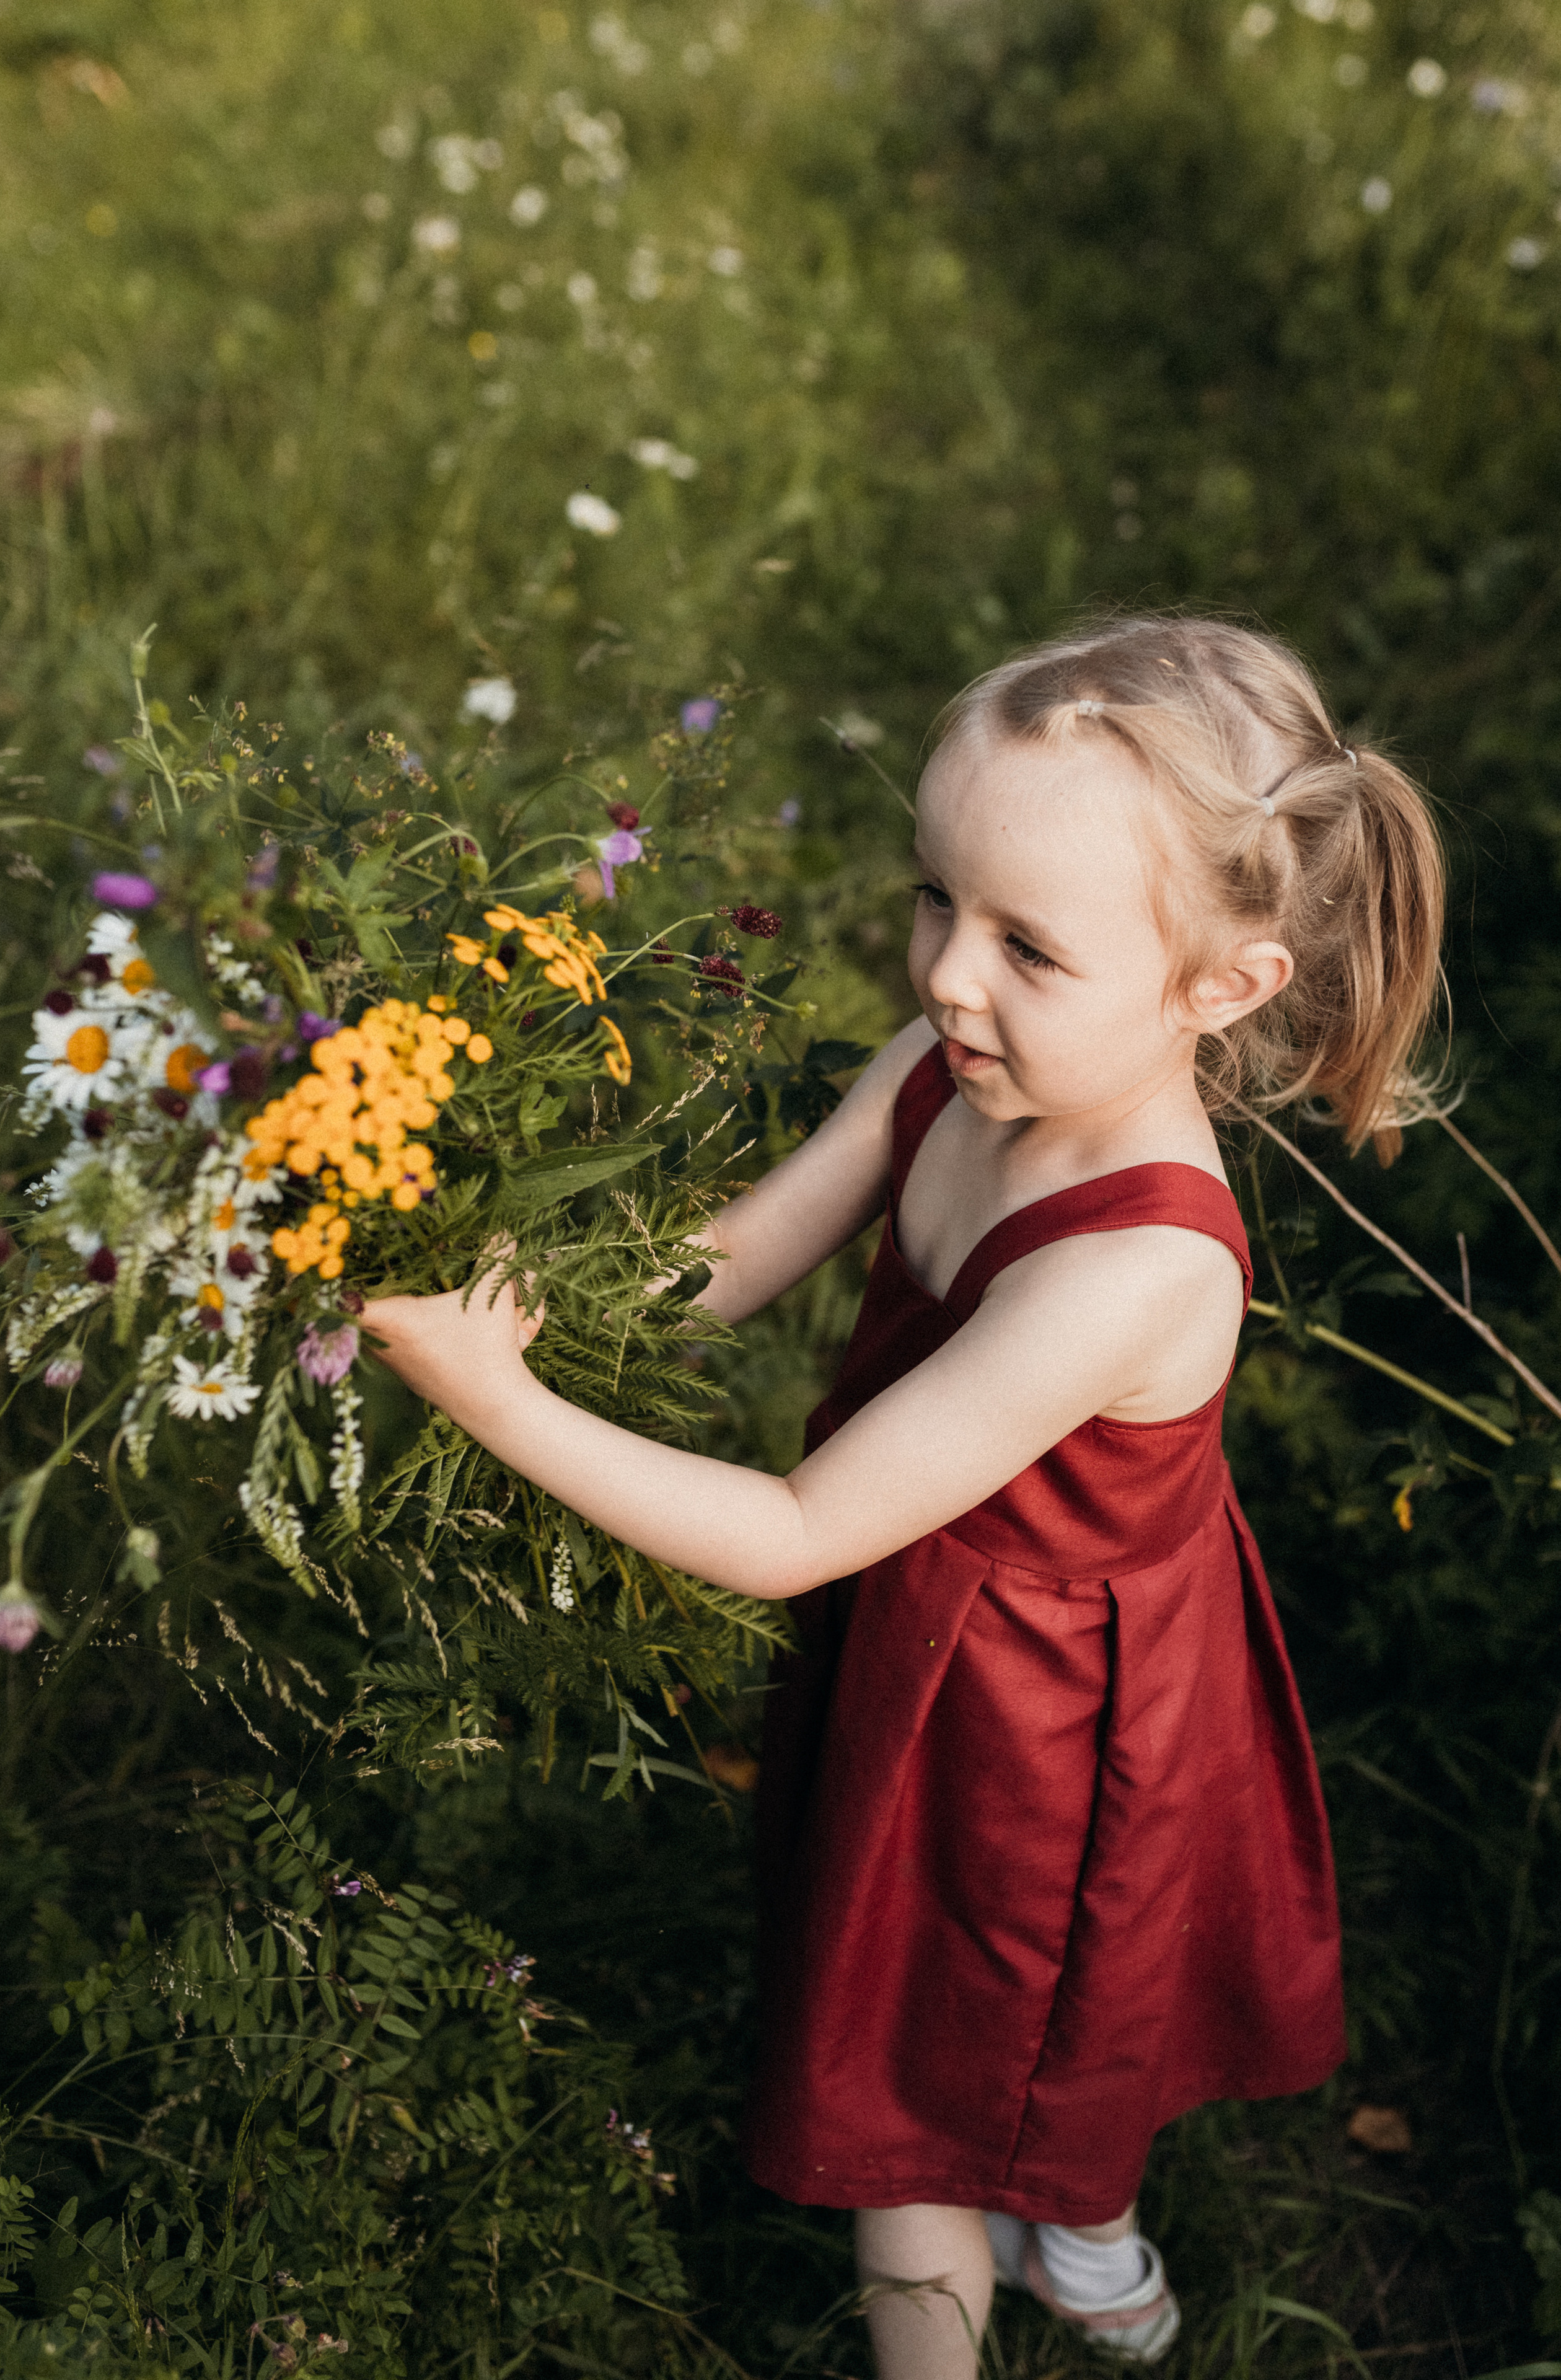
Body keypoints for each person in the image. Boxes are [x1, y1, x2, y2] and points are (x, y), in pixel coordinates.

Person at [365, 615, 1446, 2378]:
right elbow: (725, 1266)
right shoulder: (949, 1069)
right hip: (934, 1628)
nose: (953, 975)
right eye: (940, 899)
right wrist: (511, 1291)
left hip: (1047, 1714)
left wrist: (494, 1401)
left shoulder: (1143, 1267)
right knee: (1010, 2012)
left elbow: (795, 1531)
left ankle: (1049, 2233)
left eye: (1031, 944)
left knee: (936, 2092)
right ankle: (1081, 2213)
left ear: (1223, 989)